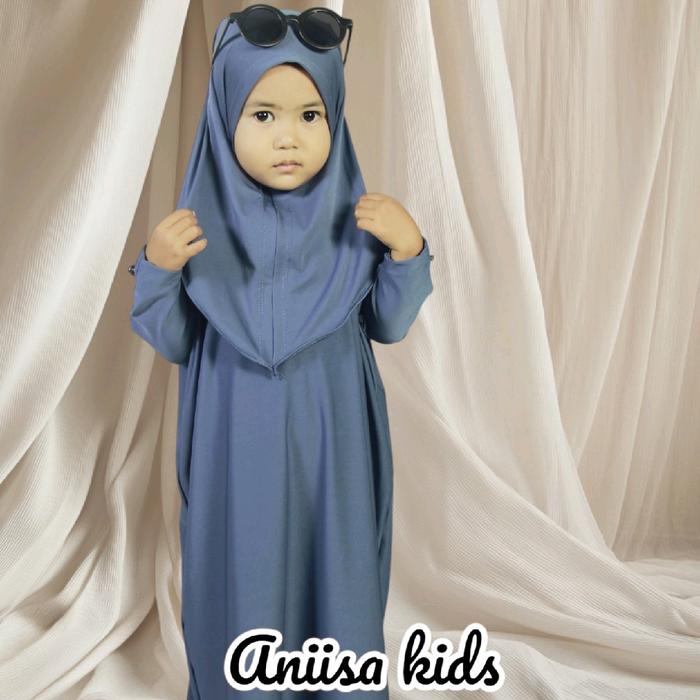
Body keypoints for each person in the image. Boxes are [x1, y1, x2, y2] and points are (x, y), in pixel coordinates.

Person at [129, 6, 434, 698]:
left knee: (338, 561)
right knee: (242, 562)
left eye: (310, 114)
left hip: (334, 451)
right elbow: (175, 339)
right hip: (235, 447)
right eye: (262, 115)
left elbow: (388, 324)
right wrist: (159, 270)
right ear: (224, 116)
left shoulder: (356, 224)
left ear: (336, 119)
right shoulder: (198, 232)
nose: (288, 137)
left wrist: (406, 251)